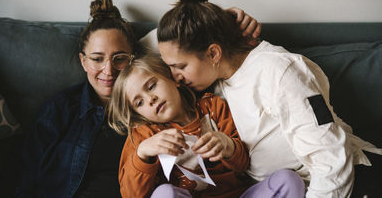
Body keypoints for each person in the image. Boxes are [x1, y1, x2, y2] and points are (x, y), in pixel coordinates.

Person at [14, 0, 261, 198]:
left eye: (119, 58)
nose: (108, 71)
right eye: (97, 59)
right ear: (83, 61)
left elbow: (192, 45)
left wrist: (221, 22)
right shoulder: (61, 109)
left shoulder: (175, 99)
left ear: (135, 56)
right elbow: (27, 177)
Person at [156, 0, 382, 198]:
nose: (175, 78)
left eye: (180, 67)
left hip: (346, 182)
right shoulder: (216, 79)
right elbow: (143, 50)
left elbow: (331, 158)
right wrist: (223, 18)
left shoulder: (278, 71)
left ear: (214, 53)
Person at [107, 53, 305, 198]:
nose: (150, 99)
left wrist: (228, 146)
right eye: (139, 103)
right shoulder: (144, 135)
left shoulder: (213, 107)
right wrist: (143, 154)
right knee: (164, 194)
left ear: (173, 79)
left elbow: (243, 163)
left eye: (151, 86)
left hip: (239, 195)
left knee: (289, 180)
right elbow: (132, 195)